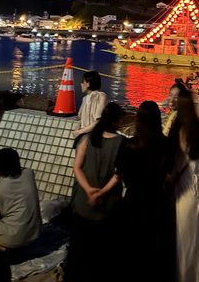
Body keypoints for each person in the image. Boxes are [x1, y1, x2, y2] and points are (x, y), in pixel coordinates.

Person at [65, 102, 125, 281]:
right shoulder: (121, 143)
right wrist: (101, 192)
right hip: (107, 205)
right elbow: (119, 174)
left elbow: (77, 167)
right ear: (116, 121)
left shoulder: (87, 139)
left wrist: (89, 190)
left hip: (83, 203)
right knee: (101, 249)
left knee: (78, 247)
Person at [119, 100, 176, 281]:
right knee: (155, 251)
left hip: (133, 200)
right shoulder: (166, 145)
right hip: (157, 202)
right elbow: (170, 172)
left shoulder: (128, 145)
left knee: (132, 249)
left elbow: (122, 173)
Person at [168, 87, 199, 282]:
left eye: (174, 98)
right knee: (198, 240)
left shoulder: (179, 130)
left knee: (183, 242)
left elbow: (173, 162)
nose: (171, 100)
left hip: (185, 189)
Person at [0, 148, 42, 250]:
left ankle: (6, 250)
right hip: (35, 232)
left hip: (15, 236)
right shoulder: (29, 173)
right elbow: (15, 196)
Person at [72, 70, 108, 147]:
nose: (81, 84)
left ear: (88, 84)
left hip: (93, 137)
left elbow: (98, 121)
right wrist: (77, 130)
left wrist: (80, 131)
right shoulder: (84, 99)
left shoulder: (101, 96)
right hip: (83, 135)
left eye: (83, 82)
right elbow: (80, 120)